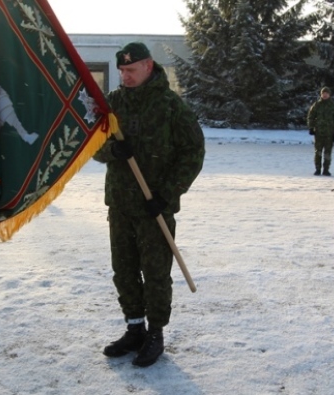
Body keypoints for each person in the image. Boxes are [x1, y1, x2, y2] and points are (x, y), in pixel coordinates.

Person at [92, 42, 205, 368]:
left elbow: (193, 152)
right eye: (122, 71)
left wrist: (168, 195)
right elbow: (93, 142)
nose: (125, 76)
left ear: (148, 66)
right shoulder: (112, 105)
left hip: (155, 207)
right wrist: (112, 152)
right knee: (124, 270)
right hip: (121, 204)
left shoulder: (170, 106)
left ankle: (155, 333)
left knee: (155, 274)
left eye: (131, 70)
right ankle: (134, 328)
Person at [306, 86, 334, 176]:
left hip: (329, 133)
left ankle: (326, 169)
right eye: (323, 93)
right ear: (321, 94)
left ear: (329, 94)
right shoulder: (316, 105)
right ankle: (318, 169)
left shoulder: (333, 106)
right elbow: (310, 116)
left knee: (327, 152)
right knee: (318, 152)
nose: (325, 95)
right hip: (318, 132)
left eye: (326, 93)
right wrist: (311, 127)